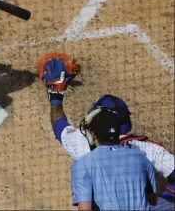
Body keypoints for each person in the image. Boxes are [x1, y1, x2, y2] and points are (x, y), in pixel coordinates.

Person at [37, 53, 175, 208]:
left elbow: (60, 127)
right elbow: (154, 198)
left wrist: (56, 95)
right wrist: (167, 199)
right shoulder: (145, 152)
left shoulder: (83, 151)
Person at [71, 109, 158, 210]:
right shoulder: (141, 158)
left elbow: (84, 208)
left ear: (94, 135)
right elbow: (153, 200)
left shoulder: (82, 163)